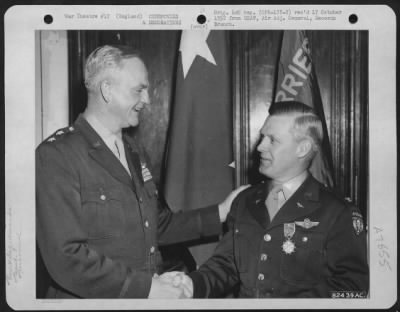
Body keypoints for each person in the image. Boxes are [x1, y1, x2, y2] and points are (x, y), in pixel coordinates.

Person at [36, 45, 247, 299]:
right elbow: (66, 258)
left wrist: (221, 212)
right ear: (107, 90)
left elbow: (156, 225)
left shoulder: (133, 150)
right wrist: (146, 288)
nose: (147, 100)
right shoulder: (58, 154)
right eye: (139, 90)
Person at [173, 101, 369, 298]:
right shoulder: (245, 200)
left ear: (302, 149)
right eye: (262, 137)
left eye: (272, 140)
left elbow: (352, 285)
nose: (260, 147)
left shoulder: (337, 211)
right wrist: (192, 285)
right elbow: (228, 264)